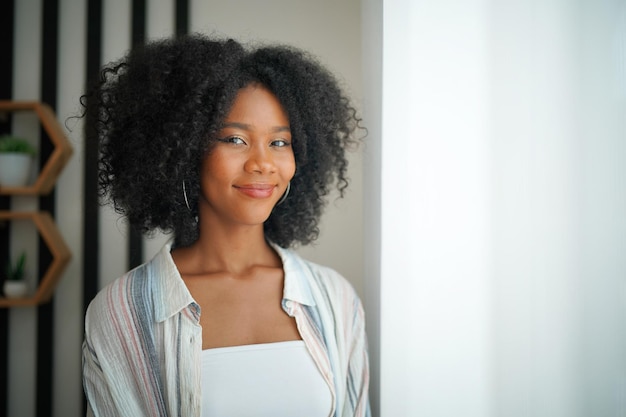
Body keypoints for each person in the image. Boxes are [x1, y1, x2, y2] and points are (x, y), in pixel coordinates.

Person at [81, 33, 370, 417]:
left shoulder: (334, 299)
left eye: (280, 143)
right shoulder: (123, 311)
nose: (263, 163)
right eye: (235, 139)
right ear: (184, 151)